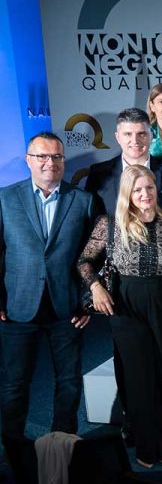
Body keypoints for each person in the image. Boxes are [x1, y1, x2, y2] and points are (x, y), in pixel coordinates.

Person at [79, 165, 162, 468]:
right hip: (126, 303)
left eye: (149, 188)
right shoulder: (110, 223)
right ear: (128, 193)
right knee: (139, 377)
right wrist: (96, 288)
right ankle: (145, 445)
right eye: (138, 190)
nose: (144, 194)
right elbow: (84, 261)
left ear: (157, 189)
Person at [0, 132, 101, 440]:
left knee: (68, 381)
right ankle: (14, 452)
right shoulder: (5, 199)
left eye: (56, 156)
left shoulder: (83, 200)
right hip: (17, 309)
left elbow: (93, 257)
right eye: (42, 156)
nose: (50, 162)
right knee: (14, 386)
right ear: (28, 160)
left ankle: (63, 448)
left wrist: (86, 302)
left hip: (66, 309)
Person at [83, 108, 162, 216]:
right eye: (128, 134)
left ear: (151, 136)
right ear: (118, 137)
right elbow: (92, 218)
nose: (135, 141)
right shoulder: (99, 174)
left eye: (141, 134)